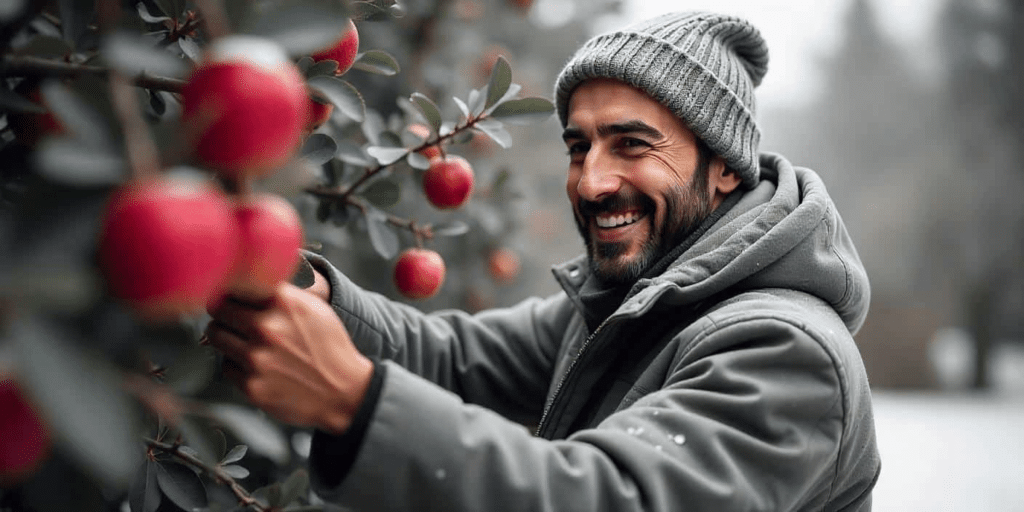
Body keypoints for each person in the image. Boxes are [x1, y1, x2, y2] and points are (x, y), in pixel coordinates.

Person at [206, 10, 881, 511]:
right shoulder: (630, 306)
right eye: (578, 147)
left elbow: (606, 499)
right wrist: (311, 290)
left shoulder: (788, 353)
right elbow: (454, 360)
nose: (591, 182)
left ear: (724, 168)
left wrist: (354, 401)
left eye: (632, 145)